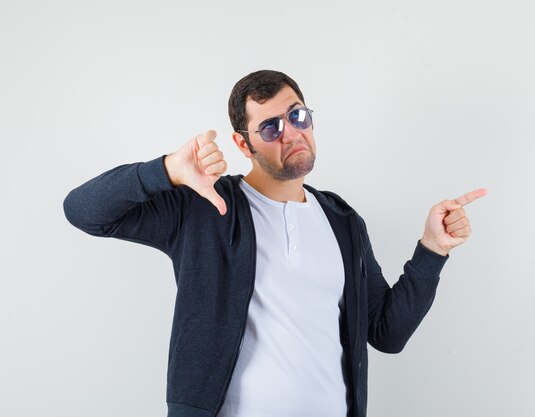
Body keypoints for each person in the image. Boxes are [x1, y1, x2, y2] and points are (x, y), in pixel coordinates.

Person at [63, 69, 487, 417]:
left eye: (298, 116)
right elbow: (83, 211)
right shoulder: (204, 207)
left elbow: (387, 332)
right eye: (271, 127)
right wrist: (168, 170)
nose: (291, 134)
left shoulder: (343, 221)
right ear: (242, 144)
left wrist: (432, 250)